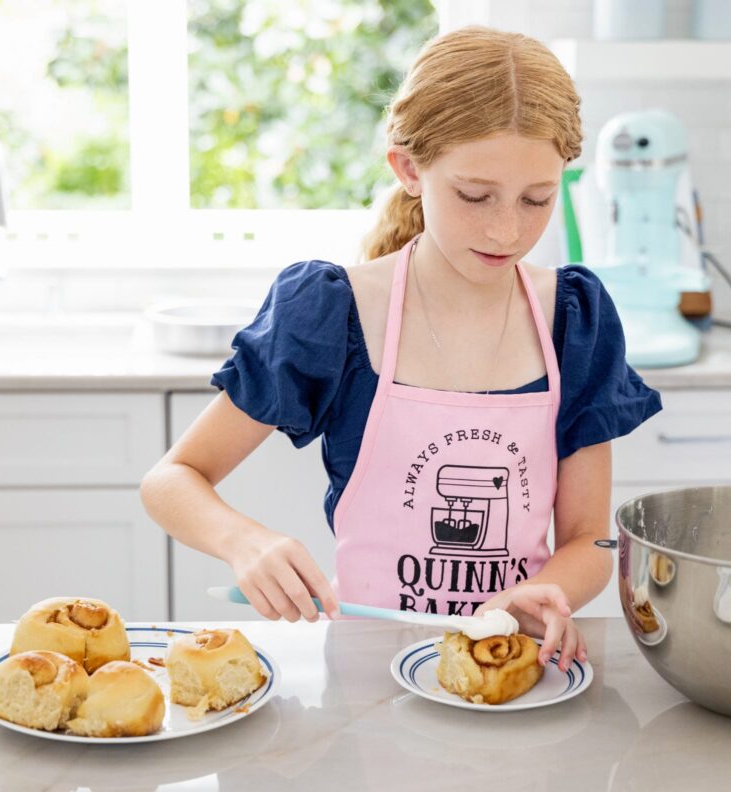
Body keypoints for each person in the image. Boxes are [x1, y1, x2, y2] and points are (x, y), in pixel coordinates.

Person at [140, 26, 661, 674]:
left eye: (537, 200)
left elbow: (589, 537)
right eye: (475, 195)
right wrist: (246, 541)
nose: (508, 230)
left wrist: (543, 591)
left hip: (514, 672)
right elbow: (171, 481)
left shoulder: (574, 320)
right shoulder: (334, 312)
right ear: (409, 169)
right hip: (367, 681)